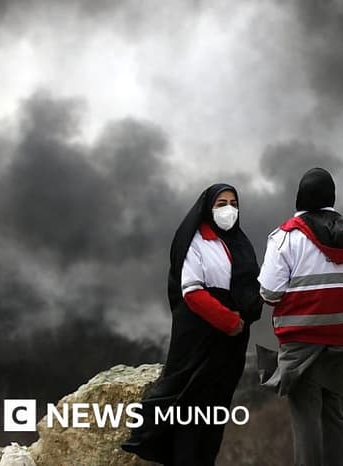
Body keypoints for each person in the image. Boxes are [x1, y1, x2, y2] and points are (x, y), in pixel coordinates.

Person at [121, 183, 263, 466]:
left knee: (214, 411)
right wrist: (229, 320)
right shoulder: (195, 241)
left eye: (233, 203)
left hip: (231, 344)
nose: (228, 210)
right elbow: (192, 291)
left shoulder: (240, 243)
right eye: (221, 203)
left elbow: (251, 285)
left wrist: (246, 314)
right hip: (199, 340)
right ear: (208, 208)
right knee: (187, 406)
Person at [257, 168, 343, 466]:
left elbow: (269, 293)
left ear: (300, 198)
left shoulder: (285, 238)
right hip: (342, 342)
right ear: (332, 198)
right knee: (338, 415)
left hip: (300, 344)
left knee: (306, 420)